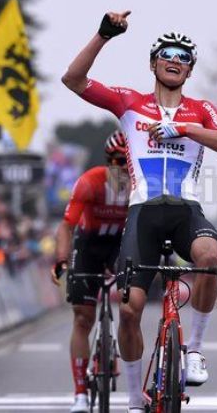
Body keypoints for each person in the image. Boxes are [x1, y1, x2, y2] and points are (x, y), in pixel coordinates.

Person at [62, 11, 217, 412]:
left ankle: (194, 350)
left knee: (210, 258)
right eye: (167, 53)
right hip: (143, 213)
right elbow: (73, 81)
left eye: (184, 55)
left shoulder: (201, 109)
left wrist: (187, 130)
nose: (175, 59)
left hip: (186, 211)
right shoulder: (131, 103)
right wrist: (103, 34)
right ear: (153, 62)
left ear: (190, 68)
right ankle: (133, 398)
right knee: (128, 311)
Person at [51, 131, 130, 413]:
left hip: (121, 244)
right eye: (118, 161)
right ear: (109, 161)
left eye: (129, 162)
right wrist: (61, 259)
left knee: (132, 304)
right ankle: (81, 394)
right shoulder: (90, 181)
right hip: (89, 243)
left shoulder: (144, 185)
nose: (123, 168)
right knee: (83, 317)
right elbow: (66, 225)